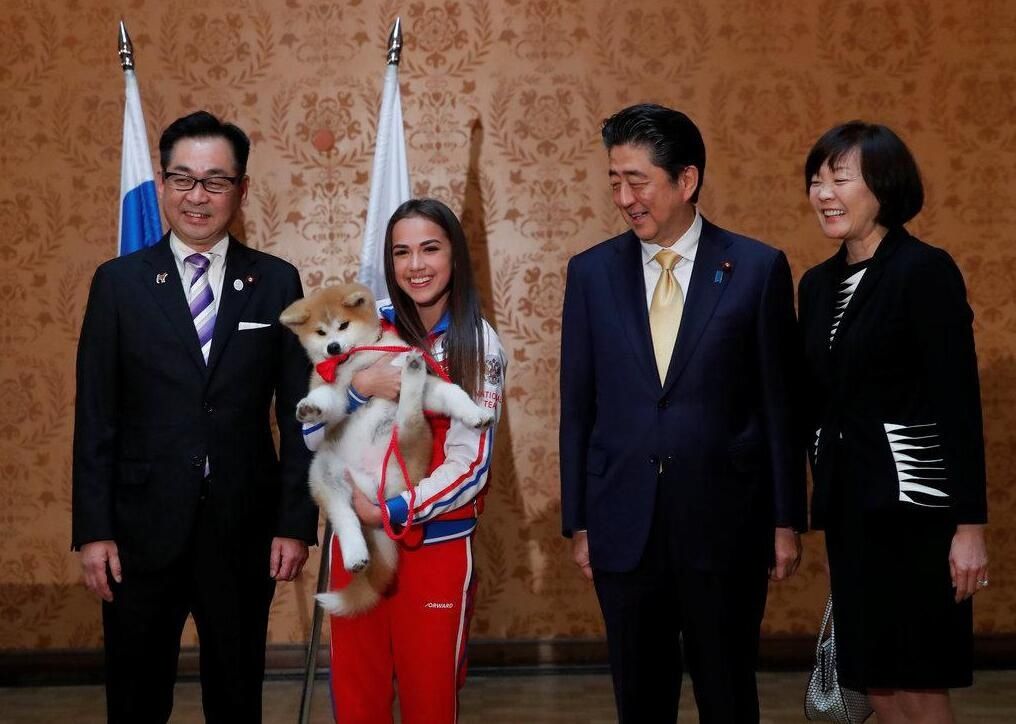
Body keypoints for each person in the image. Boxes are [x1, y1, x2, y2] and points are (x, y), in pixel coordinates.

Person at [559, 103, 807, 723]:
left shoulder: (755, 268)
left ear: (686, 180)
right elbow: (578, 405)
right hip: (623, 521)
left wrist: (785, 519)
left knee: (727, 695)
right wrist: (579, 520)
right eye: (614, 180)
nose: (624, 197)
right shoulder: (590, 274)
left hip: (727, 522)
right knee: (639, 701)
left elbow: (780, 405)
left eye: (637, 180)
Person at [72, 110, 318, 723]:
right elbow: (96, 416)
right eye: (182, 179)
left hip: (242, 529)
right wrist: (93, 530)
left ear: (242, 190)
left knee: (237, 698)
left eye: (214, 181)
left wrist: (294, 522)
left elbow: (298, 414)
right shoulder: (119, 284)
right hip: (138, 530)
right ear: (160, 185)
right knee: (135, 698)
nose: (196, 196)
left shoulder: (276, 282)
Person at [799, 121, 989, 723]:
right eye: (816, 178)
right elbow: (818, 406)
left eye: (841, 177)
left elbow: (958, 404)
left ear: (883, 186)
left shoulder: (924, 271)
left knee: (920, 680)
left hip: (918, 510)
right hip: (851, 513)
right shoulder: (816, 283)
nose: (824, 191)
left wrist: (970, 527)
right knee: (873, 681)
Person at [326, 198, 507, 724]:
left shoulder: (478, 343)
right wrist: (359, 389)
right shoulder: (363, 327)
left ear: (455, 255)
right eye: (401, 252)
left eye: (430, 248)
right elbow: (313, 427)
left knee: (430, 701)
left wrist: (392, 509)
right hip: (355, 543)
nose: (416, 265)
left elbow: (471, 466)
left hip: (433, 548)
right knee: (357, 700)